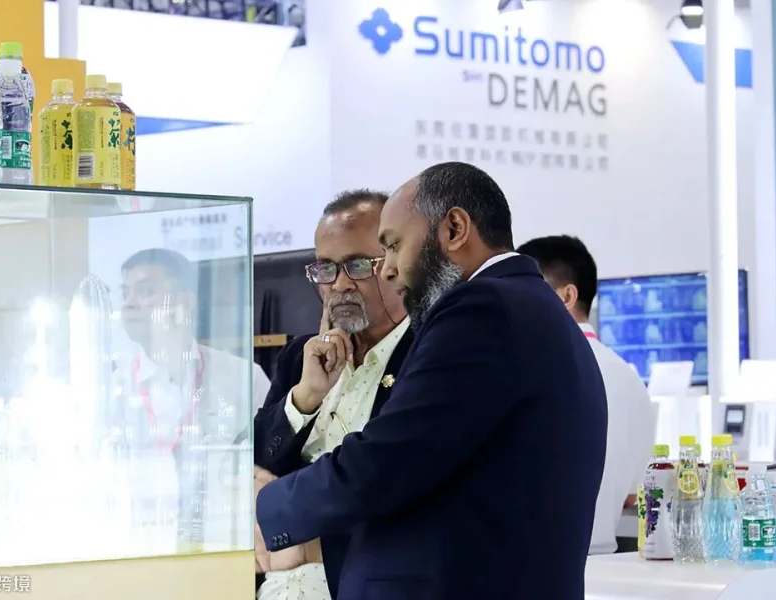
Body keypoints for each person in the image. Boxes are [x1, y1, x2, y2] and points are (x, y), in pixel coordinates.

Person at [255, 162, 608, 599]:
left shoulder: (483, 308)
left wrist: (269, 504)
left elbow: (388, 458)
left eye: (393, 246)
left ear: (455, 229)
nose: (389, 269)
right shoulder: (526, 306)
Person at [254, 190, 413, 600]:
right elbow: (254, 462)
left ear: (396, 263)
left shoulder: (426, 353)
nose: (339, 284)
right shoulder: (300, 356)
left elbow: (400, 488)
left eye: (357, 265)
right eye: (325, 268)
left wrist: (307, 544)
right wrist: (305, 398)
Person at [108, 248, 271, 551]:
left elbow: (269, 471)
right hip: (139, 548)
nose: (129, 303)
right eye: (125, 293)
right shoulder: (113, 389)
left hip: (226, 548)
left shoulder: (244, 377)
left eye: (145, 291)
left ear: (184, 301)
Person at [517, 234, 656, 554]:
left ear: (567, 295)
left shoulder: (531, 366)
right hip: (604, 562)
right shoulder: (631, 380)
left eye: (525, 292)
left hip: (532, 566)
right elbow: (633, 495)